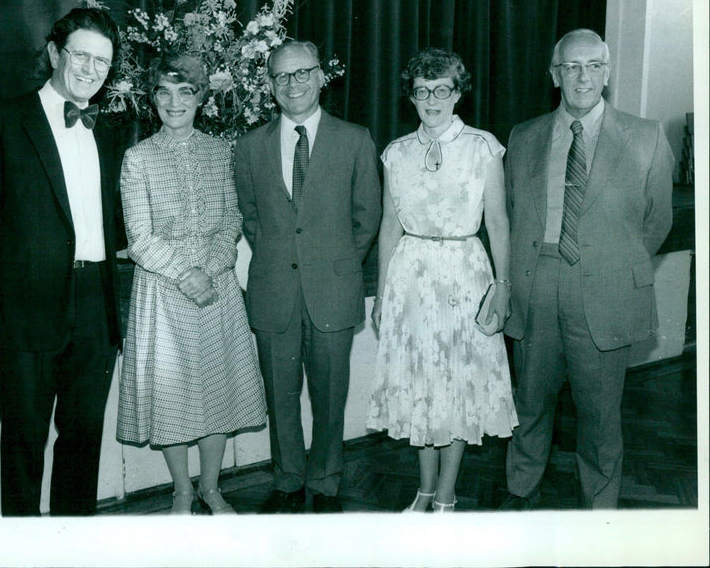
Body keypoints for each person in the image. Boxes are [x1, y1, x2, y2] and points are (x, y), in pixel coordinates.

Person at [0, 7, 124, 516]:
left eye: (103, 61)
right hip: (25, 313)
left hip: (95, 305)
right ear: (55, 53)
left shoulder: (110, 129)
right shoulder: (0, 121)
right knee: (24, 448)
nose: (90, 69)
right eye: (80, 54)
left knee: (82, 445)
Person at [501, 29, 674, 510]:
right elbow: (515, 212)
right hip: (538, 283)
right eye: (571, 67)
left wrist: (610, 260)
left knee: (600, 413)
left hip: (604, 289)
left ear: (608, 72)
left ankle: (599, 505)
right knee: (530, 402)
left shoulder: (645, 136)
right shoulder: (525, 135)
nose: (583, 76)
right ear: (555, 75)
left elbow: (657, 220)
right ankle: (520, 489)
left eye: (593, 65)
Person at [367, 48, 518, 513]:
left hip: (464, 272)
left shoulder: (482, 147)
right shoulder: (396, 152)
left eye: (442, 89)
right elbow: (389, 225)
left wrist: (503, 284)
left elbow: (498, 220)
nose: (432, 99)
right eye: (422, 91)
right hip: (410, 275)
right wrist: (381, 292)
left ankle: (447, 494)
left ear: (458, 93)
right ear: (411, 97)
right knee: (420, 384)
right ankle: (425, 489)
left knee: (457, 385)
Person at [116, 54, 266, 515]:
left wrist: (214, 268)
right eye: (164, 91)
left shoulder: (222, 152)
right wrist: (185, 273)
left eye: (186, 92)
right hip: (163, 290)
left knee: (218, 389)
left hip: (216, 288)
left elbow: (232, 220)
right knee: (172, 395)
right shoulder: (137, 158)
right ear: (153, 99)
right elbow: (139, 237)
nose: (175, 102)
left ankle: (211, 487)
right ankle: (182, 489)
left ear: (201, 98)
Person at [235, 40, 382, 513]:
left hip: (334, 290)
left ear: (321, 77)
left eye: (303, 74)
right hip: (274, 289)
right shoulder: (250, 146)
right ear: (270, 85)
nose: (293, 84)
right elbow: (251, 218)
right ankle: (288, 477)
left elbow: (367, 218)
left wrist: (334, 263)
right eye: (282, 76)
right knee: (279, 396)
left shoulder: (355, 138)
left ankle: (326, 479)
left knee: (330, 394)